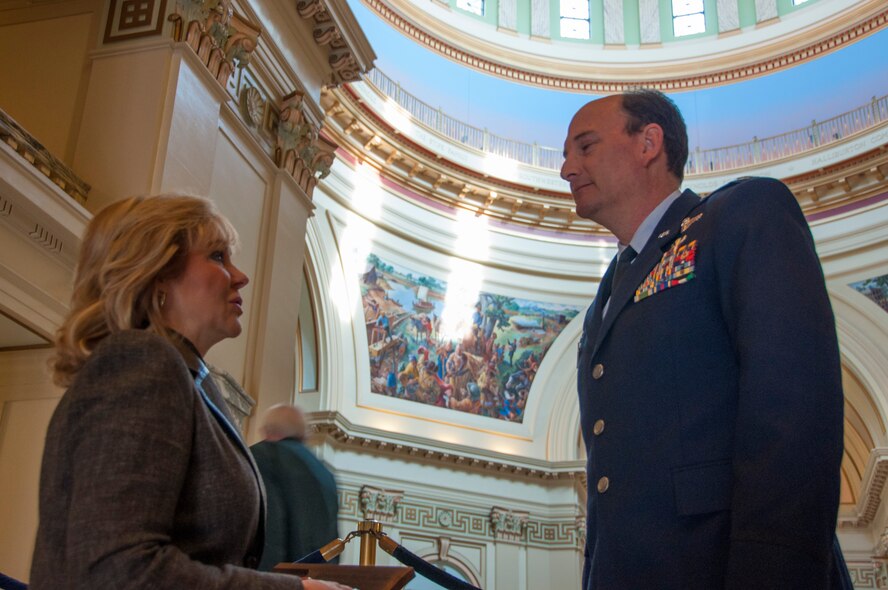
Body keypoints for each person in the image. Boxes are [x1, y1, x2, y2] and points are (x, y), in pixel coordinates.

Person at [561, 90, 851, 589]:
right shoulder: (608, 292)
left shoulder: (740, 214)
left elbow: (793, 409)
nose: (567, 169)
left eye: (584, 147)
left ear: (649, 142)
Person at [30, 194, 349, 590]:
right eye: (217, 256)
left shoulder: (190, 379)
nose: (240, 276)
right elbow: (115, 571)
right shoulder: (142, 362)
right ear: (157, 273)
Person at [250, 404, 341, 571]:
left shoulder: (262, 457)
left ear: (269, 431)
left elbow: (269, 532)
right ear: (303, 434)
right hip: (317, 582)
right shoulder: (325, 475)